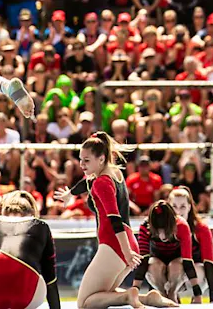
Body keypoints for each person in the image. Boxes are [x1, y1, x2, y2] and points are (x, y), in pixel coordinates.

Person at [59, 132, 146, 309]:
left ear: (101, 159)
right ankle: (148, 298)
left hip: (115, 244)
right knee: (103, 296)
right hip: (127, 241)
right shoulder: (114, 172)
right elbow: (86, 183)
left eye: (87, 160)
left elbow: (114, 218)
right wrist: (71, 194)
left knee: (84, 303)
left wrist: (126, 251)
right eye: (80, 160)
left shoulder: (102, 182)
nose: (81, 165)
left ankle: (129, 295)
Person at [0, 191, 60, 309]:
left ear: (4, 211)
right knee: (40, 280)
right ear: (32, 212)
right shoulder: (41, 226)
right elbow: (50, 279)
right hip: (26, 297)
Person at [133, 200, 205, 304]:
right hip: (157, 261)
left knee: (175, 266)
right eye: (158, 231)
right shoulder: (145, 227)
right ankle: (163, 294)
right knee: (153, 265)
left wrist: (197, 293)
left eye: (166, 231)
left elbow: (187, 261)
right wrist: (135, 291)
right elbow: (143, 261)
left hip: (177, 262)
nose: (162, 236)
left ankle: (172, 293)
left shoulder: (181, 226)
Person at [168, 187, 213, 302]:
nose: (178, 212)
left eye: (183, 207)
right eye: (174, 207)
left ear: (189, 207)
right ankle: (173, 298)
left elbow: (209, 262)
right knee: (171, 266)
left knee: (198, 269)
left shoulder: (201, 229)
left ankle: (196, 299)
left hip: (197, 274)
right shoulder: (163, 228)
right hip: (172, 275)